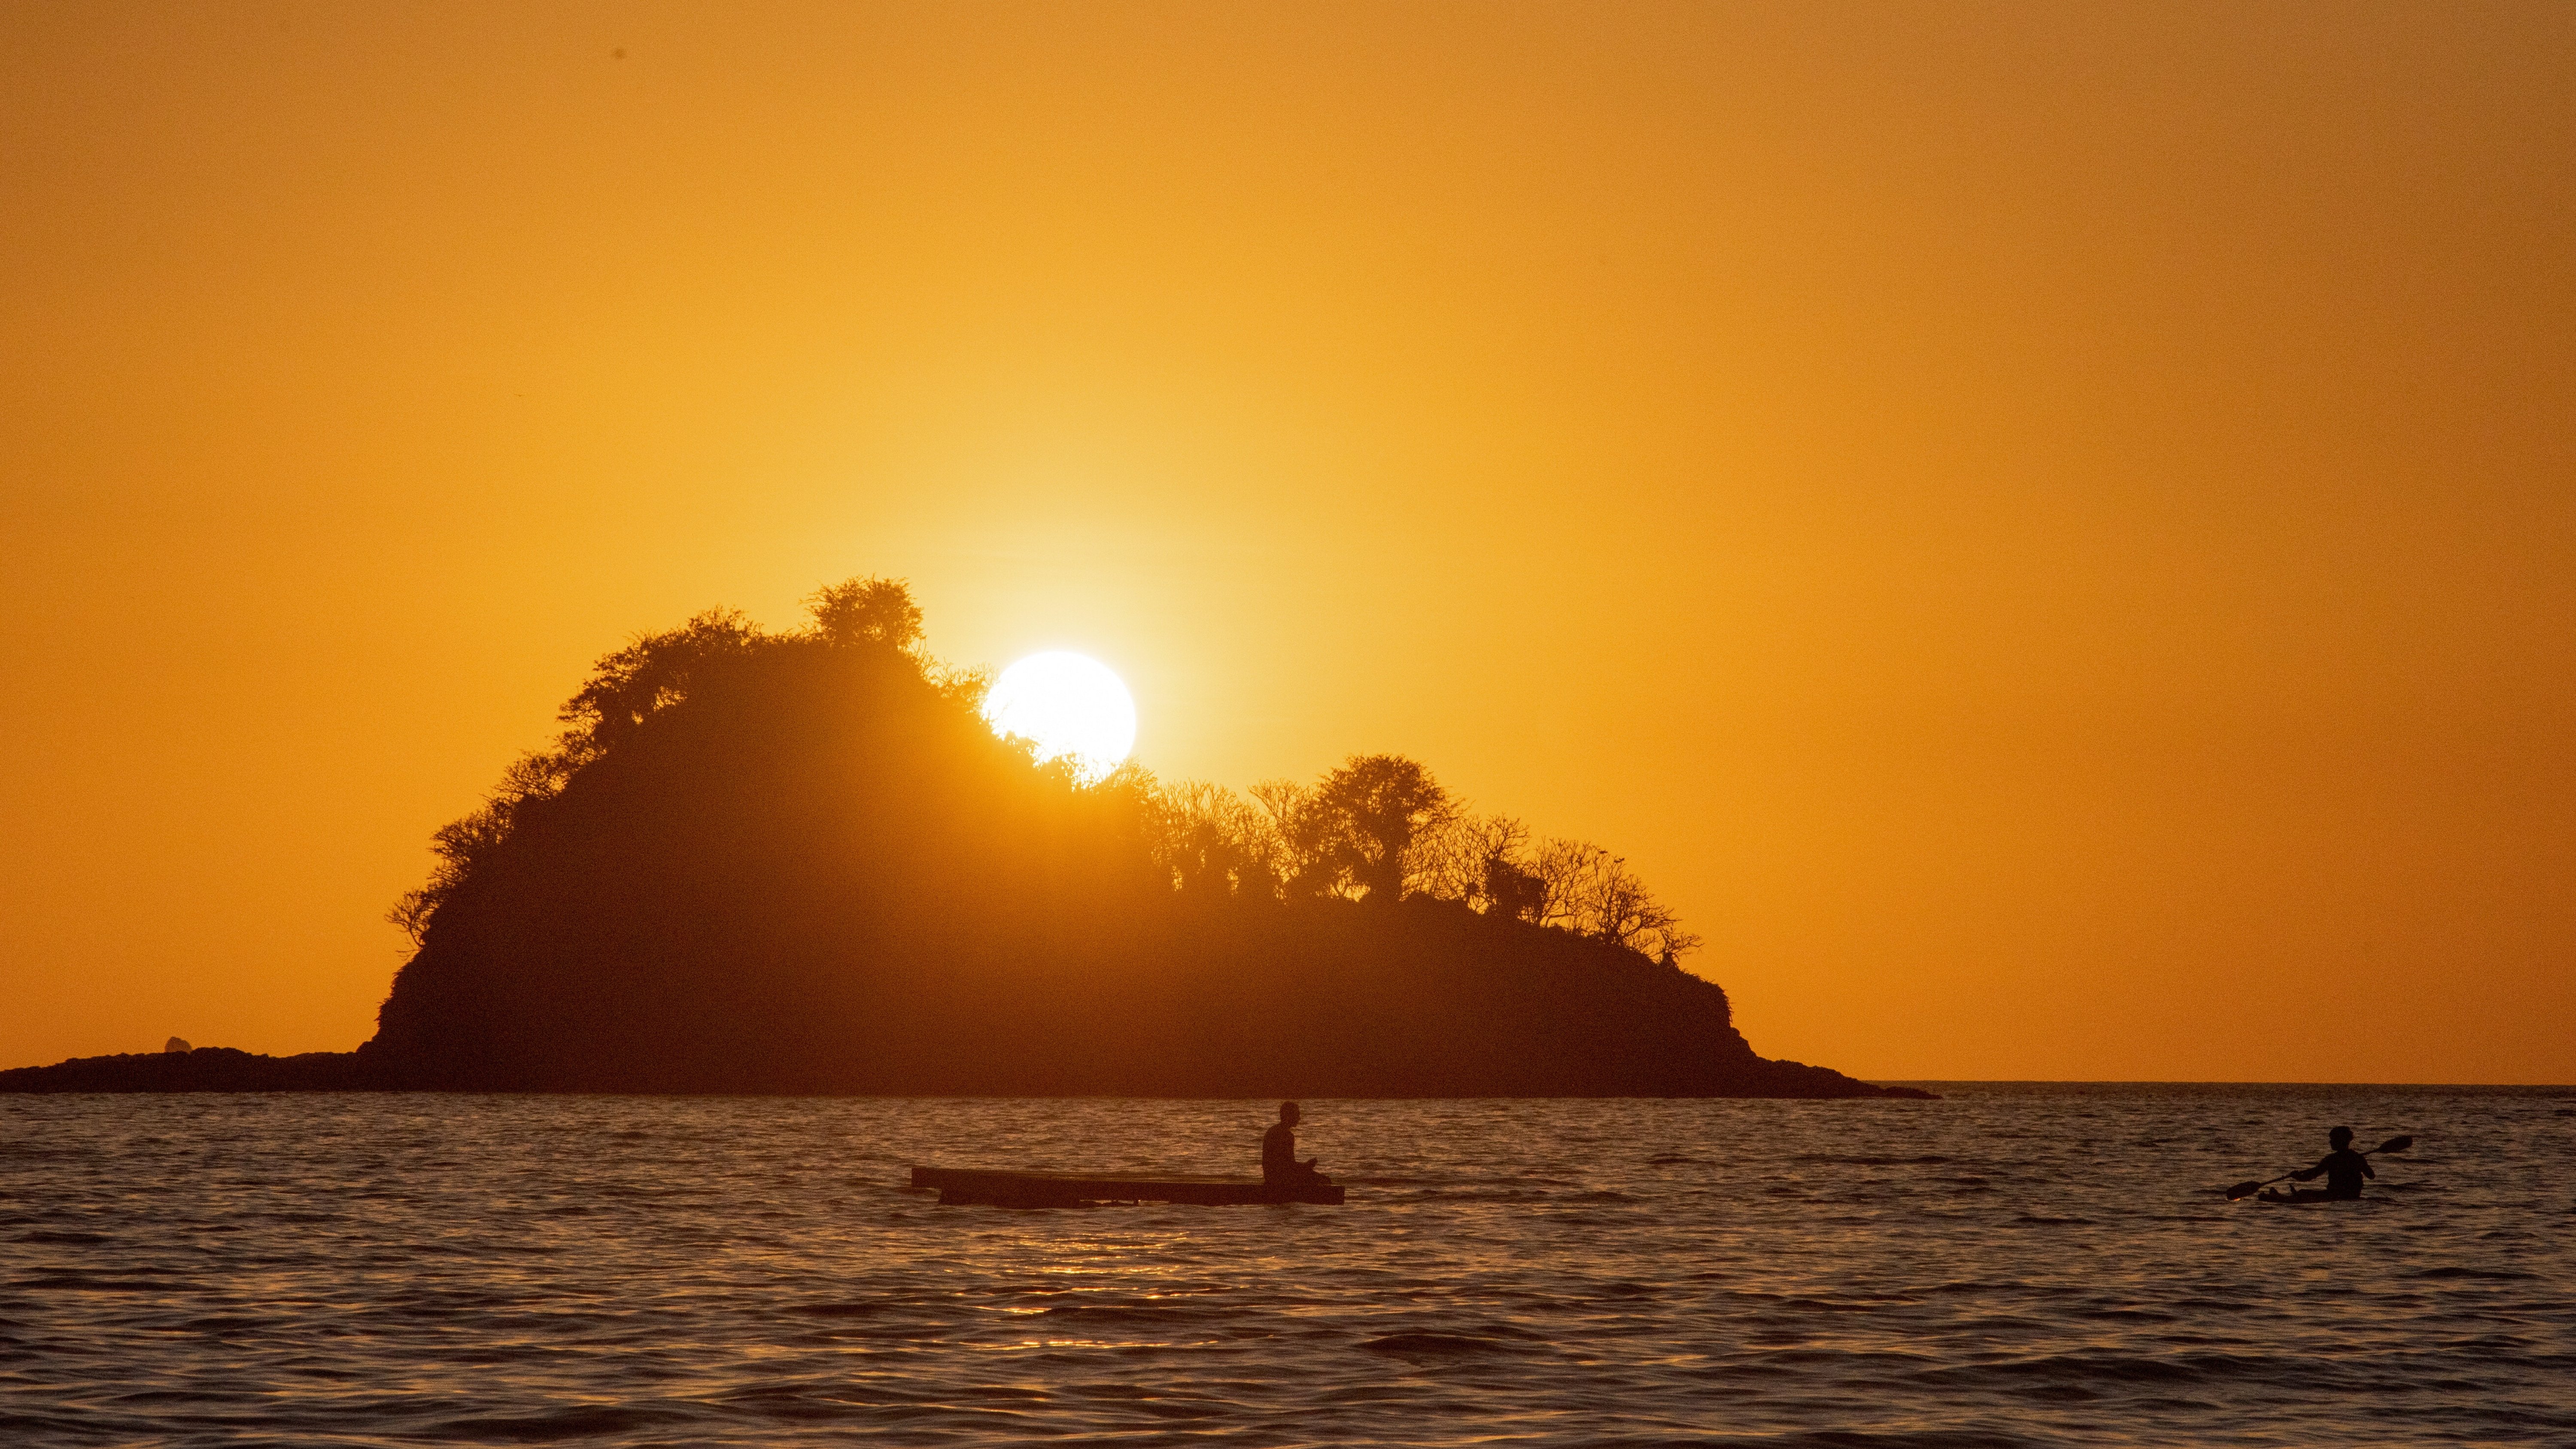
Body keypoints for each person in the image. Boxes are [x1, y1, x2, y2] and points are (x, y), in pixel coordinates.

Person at [2266, 1125, 2375, 1203]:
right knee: (2304, 1192)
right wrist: (2361, 1162)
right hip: (2352, 1195)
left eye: (2333, 1139)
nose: (2330, 1142)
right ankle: (2293, 1196)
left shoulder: (2332, 1159)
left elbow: (2311, 1176)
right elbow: (2371, 1176)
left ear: (2341, 1141)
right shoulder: (2356, 1157)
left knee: (2304, 1192)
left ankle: (2290, 1197)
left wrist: (2298, 1177)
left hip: (2335, 1196)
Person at [1261, 1101, 1325, 1187]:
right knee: (1324, 1180)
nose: (1299, 1119)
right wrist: (1307, 1166)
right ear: (1289, 1116)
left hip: (1270, 1177)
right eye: (1297, 1115)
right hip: (1281, 1178)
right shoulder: (1287, 1135)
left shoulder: (1272, 1131)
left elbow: (1284, 1164)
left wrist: (1305, 1167)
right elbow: (1289, 1167)